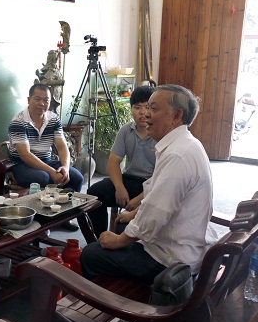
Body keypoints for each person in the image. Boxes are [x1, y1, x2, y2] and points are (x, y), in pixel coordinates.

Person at [80, 84, 218, 285]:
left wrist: (119, 241)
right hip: (176, 244)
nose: (145, 114)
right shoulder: (185, 143)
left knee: (90, 254)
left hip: (170, 261)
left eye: (153, 108)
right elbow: (155, 193)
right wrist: (132, 216)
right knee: (118, 219)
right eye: (142, 108)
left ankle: (110, 301)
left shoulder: (177, 155)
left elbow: (155, 214)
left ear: (176, 116)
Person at [8, 83, 84, 230]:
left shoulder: (53, 119)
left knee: (76, 177)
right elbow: (25, 155)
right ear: (29, 100)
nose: (42, 104)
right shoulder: (18, 122)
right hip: (22, 165)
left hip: (46, 161)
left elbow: (62, 147)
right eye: (37, 99)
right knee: (43, 178)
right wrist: (51, 171)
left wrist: (65, 167)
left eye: (46, 100)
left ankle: (64, 217)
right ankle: (42, 222)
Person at [86, 86, 156, 238]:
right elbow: (113, 162)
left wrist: (140, 199)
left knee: (124, 227)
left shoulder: (160, 133)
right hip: (129, 179)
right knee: (93, 194)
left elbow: (163, 178)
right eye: (137, 107)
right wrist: (119, 187)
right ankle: (100, 239)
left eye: (147, 107)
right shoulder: (126, 130)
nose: (142, 112)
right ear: (131, 109)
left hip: (153, 185)